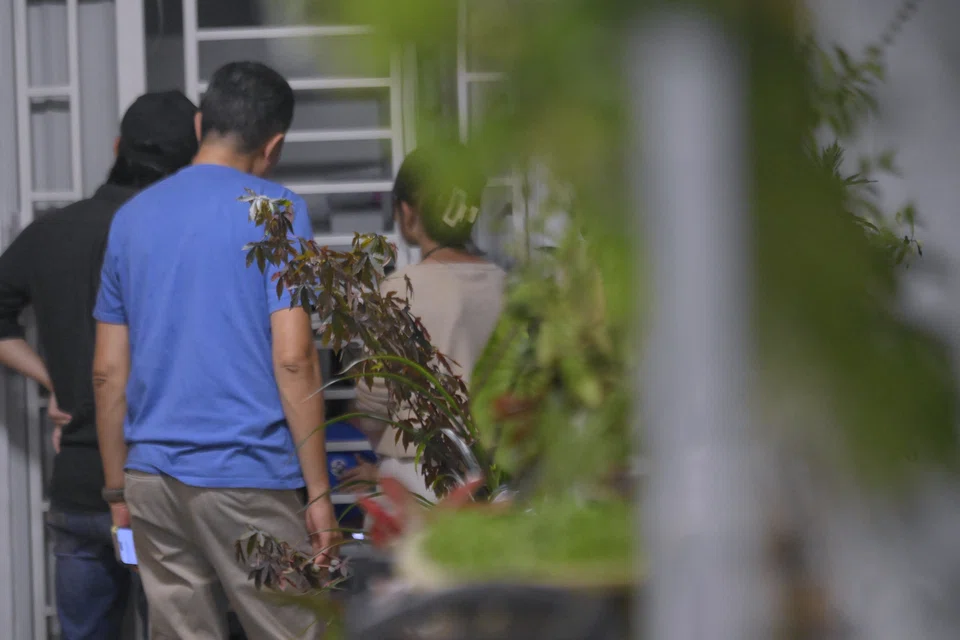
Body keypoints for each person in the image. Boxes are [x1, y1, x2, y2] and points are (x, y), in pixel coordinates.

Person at [92, 61, 338, 639]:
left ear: (203, 122)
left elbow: (107, 373)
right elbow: (294, 359)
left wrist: (116, 493)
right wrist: (319, 494)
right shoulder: (276, 211)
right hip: (247, 474)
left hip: (151, 479)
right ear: (273, 145)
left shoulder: (130, 221)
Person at [0, 90, 199, 639]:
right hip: (168, 485)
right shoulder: (184, 239)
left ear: (117, 147)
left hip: (82, 488)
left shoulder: (52, 232)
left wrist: (55, 383)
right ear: (193, 164)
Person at [341, 145, 507, 500]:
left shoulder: (399, 289)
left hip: (422, 476)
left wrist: (381, 457)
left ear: (407, 212)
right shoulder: (506, 284)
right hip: (499, 477)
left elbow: (374, 403)